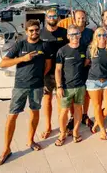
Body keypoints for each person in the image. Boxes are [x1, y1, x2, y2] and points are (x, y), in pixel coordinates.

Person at [0, 20, 50, 166]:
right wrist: (22, 58)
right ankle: (6, 149)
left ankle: (31, 140)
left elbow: (48, 64)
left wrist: (40, 77)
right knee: (12, 116)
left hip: (37, 86)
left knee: (35, 113)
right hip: (20, 86)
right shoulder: (20, 45)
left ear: (39, 30)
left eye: (36, 30)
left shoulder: (44, 45)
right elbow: (3, 63)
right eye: (31, 30)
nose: (34, 32)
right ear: (26, 32)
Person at [54, 25, 87, 146]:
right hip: (66, 87)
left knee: (78, 109)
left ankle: (75, 132)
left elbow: (87, 63)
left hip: (80, 86)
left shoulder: (84, 49)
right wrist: (59, 86)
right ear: (68, 36)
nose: (75, 37)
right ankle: (62, 133)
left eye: (77, 34)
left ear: (80, 35)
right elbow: (58, 70)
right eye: (72, 34)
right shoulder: (62, 51)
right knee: (64, 112)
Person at [39, 8, 68, 140]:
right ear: (46, 18)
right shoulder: (40, 33)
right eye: (49, 16)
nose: (52, 18)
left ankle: (63, 126)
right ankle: (48, 126)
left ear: (58, 17)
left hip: (62, 72)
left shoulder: (64, 32)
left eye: (54, 16)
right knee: (47, 101)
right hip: (46, 73)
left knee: (61, 101)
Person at [85, 27, 107, 140]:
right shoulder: (91, 49)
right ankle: (102, 130)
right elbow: (86, 63)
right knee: (97, 106)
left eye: (104, 35)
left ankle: (97, 122)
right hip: (93, 82)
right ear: (95, 37)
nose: (102, 37)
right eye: (99, 35)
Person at [73, 10, 93, 129]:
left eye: (83, 18)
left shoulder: (90, 32)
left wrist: (87, 60)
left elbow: (92, 47)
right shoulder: (70, 32)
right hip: (73, 67)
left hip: (87, 66)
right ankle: (74, 116)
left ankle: (85, 115)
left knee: (86, 93)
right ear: (74, 19)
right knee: (74, 93)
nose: (81, 20)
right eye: (79, 18)